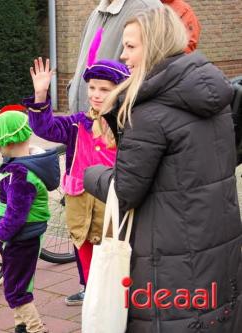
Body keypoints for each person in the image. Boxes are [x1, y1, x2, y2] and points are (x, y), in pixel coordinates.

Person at [84, 7, 242, 332]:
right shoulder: (217, 98)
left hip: (170, 256)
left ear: (154, 44)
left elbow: (126, 191)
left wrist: (91, 175)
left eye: (130, 46)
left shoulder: (148, 113)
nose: (123, 55)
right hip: (217, 244)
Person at [26, 50, 130, 306]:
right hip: (79, 199)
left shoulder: (127, 125)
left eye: (104, 89)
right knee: (82, 244)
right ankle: (88, 288)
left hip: (112, 201)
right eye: (92, 87)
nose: (95, 94)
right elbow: (44, 128)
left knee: (112, 249)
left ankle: (116, 295)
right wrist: (40, 95)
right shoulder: (78, 124)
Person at [0, 111, 60, 333]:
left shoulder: (19, 174)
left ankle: (34, 328)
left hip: (21, 239)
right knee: (19, 282)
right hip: (22, 238)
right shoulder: (26, 163)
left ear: (6, 143)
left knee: (16, 290)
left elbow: (15, 216)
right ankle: (20, 326)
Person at [67, 0, 162, 114]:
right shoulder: (97, 13)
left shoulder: (147, 9)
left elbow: (151, 79)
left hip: (114, 124)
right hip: (87, 121)